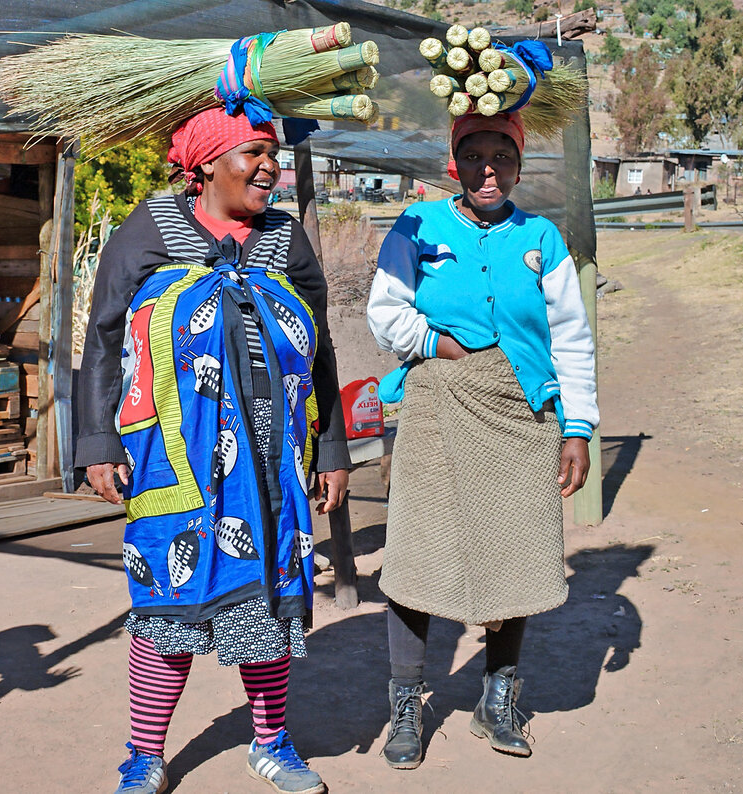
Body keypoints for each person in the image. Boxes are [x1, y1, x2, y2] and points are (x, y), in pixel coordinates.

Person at [76, 107, 350, 794]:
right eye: (251, 154)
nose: (268, 168)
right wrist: (97, 442)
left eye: (273, 155)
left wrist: (333, 447)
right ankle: (144, 754)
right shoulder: (151, 229)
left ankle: (272, 744)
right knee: (168, 596)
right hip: (176, 453)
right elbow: (105, 339)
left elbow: (318, 346)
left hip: (271, 454)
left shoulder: (284, 239)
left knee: (269, 600)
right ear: (203, 166)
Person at [366, 110, 598, 768]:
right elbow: (385, 312)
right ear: (454, 165)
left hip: (522, 411)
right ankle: (406, 703)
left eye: (502, 154)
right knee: (417, 555)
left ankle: (496, 700)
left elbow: (572, 341)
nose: (488, 167)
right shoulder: (417, 227)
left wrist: (576, 427)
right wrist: (435, 343)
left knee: (516, 549)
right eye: (474, 155)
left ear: (520, 167)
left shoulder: (542, 238)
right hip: (439, 401)